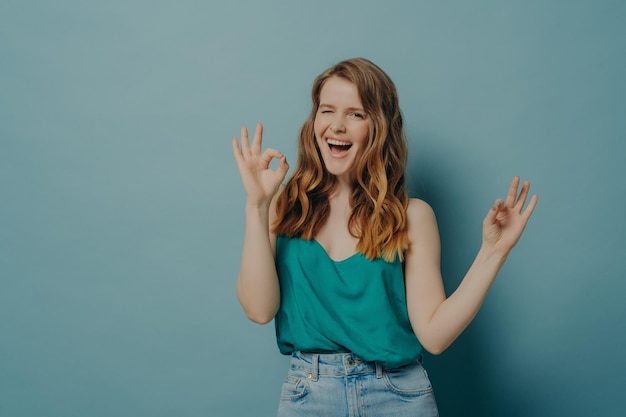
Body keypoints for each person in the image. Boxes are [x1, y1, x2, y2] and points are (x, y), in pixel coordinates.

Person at [231, 57, 537, 417]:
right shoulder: (285, 205)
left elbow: (435, 336)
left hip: (397, 396)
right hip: (309, 395)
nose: (337, 126)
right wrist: (257, 206)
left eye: (356, 114)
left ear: (379, 127)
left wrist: (494, 251)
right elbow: (258, 309)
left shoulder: (412, 216)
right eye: (327, 111)